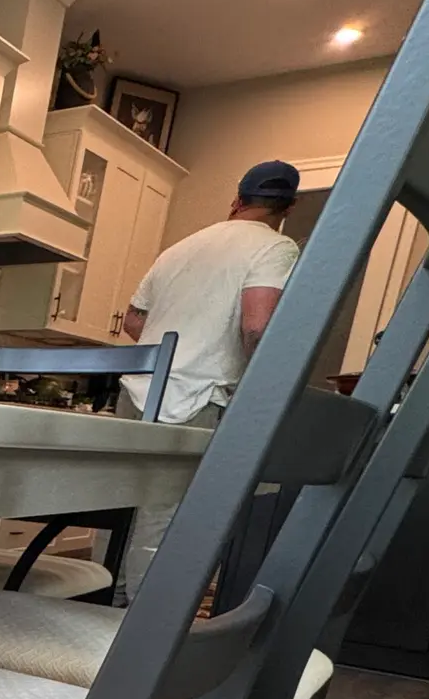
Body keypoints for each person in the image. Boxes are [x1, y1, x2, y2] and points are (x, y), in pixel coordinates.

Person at [112, 159, 303, 598]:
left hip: (137, 390)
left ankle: (107, 603)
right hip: (194, 396)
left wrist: (177, 348)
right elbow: (256, 326)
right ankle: (140, 632)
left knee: (119, 505)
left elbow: (134, 320)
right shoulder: (276, 247)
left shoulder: (181, 247)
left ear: (236, 201)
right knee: (165, 517)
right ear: (286, 207)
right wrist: (263, 387)